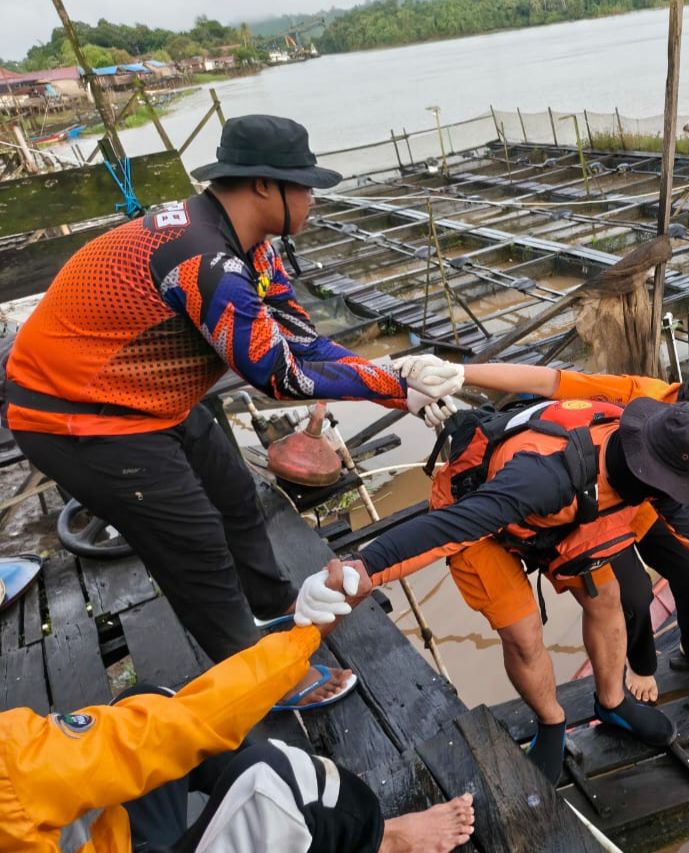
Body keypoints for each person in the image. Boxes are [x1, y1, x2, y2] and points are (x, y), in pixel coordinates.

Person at [2, 114, 455, 711]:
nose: (314, 198)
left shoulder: (252, 249)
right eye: (305, 185)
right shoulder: (204, 260)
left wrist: (398, 381)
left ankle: (273, 608)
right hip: (81, 417)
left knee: (237, 499)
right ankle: (260, 680)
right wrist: (392, 385)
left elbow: (303, 340)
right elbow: (281, 375)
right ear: (264, 187)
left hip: (145, 399)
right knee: (195, 547)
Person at [351, 397, 689, 782]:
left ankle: (612, 702)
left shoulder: (649, 461)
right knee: (522, 635)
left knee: (607, 598)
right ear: (653, 470)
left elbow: (688, 525)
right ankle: (551, 722)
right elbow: (448, 528)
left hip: (567, 517)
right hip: (482, 520)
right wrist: (364, 568)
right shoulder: (545, 477)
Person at [0, 561, 475, 853]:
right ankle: (384, 841)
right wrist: (306, 636)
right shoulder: (11, 766)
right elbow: (182, 726)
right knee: (282, 779)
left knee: (142, 704)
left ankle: (247, 812)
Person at [421, 358, 689, 701]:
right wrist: (461, 372)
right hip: (600, 509)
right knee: (634, 596)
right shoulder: (636, 394)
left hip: (651, 509)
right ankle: (641, 665)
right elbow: (549, 382)